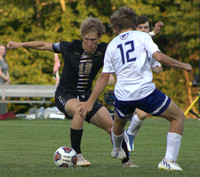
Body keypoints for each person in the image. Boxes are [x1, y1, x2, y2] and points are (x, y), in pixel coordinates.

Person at [6, 17, 135, 167]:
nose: (89, 43)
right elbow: (43, 45)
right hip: (65, 95)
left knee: (112, 125)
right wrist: (20, 44)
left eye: (93, 40)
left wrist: (111, 72)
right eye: (86, 39)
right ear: (82, 37)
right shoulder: (70, 47)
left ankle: (127, 162)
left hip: (87, 97)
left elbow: (126, 49)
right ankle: (77, 155)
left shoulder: (104, 50)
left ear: (99, 38)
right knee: (80, 110)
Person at [79, 7, 192, 171]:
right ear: (134, 23)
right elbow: (158, 57)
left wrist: (90, 102)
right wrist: (182, 65)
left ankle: (117, 149)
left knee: (118, 122)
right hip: (145, 92)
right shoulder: (142, 37)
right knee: (178, 117)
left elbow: (104, 77)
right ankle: (169, 160)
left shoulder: (112, 45)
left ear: (116, 28)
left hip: (123, 95)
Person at [124, 15, 163, 152]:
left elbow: (154, 62)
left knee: (142, 114)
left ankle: (128, 136)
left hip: (143, 88)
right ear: (134, 29)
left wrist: (157, 67)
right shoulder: (128, 43)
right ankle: (123, 140)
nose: (143, 30)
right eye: (140, 28)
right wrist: (110, 74)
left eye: (146, 27)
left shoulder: (151, 45)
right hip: (127, 87)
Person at [0, 44, 11, 114]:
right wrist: (6, 78)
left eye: (4, 49)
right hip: (1, 82)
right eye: (1, 49)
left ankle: (3, 114)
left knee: (4, 99)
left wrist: (8, 79)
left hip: (5, 83)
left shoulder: (4, 60)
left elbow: (6, 70)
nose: (3, 51)